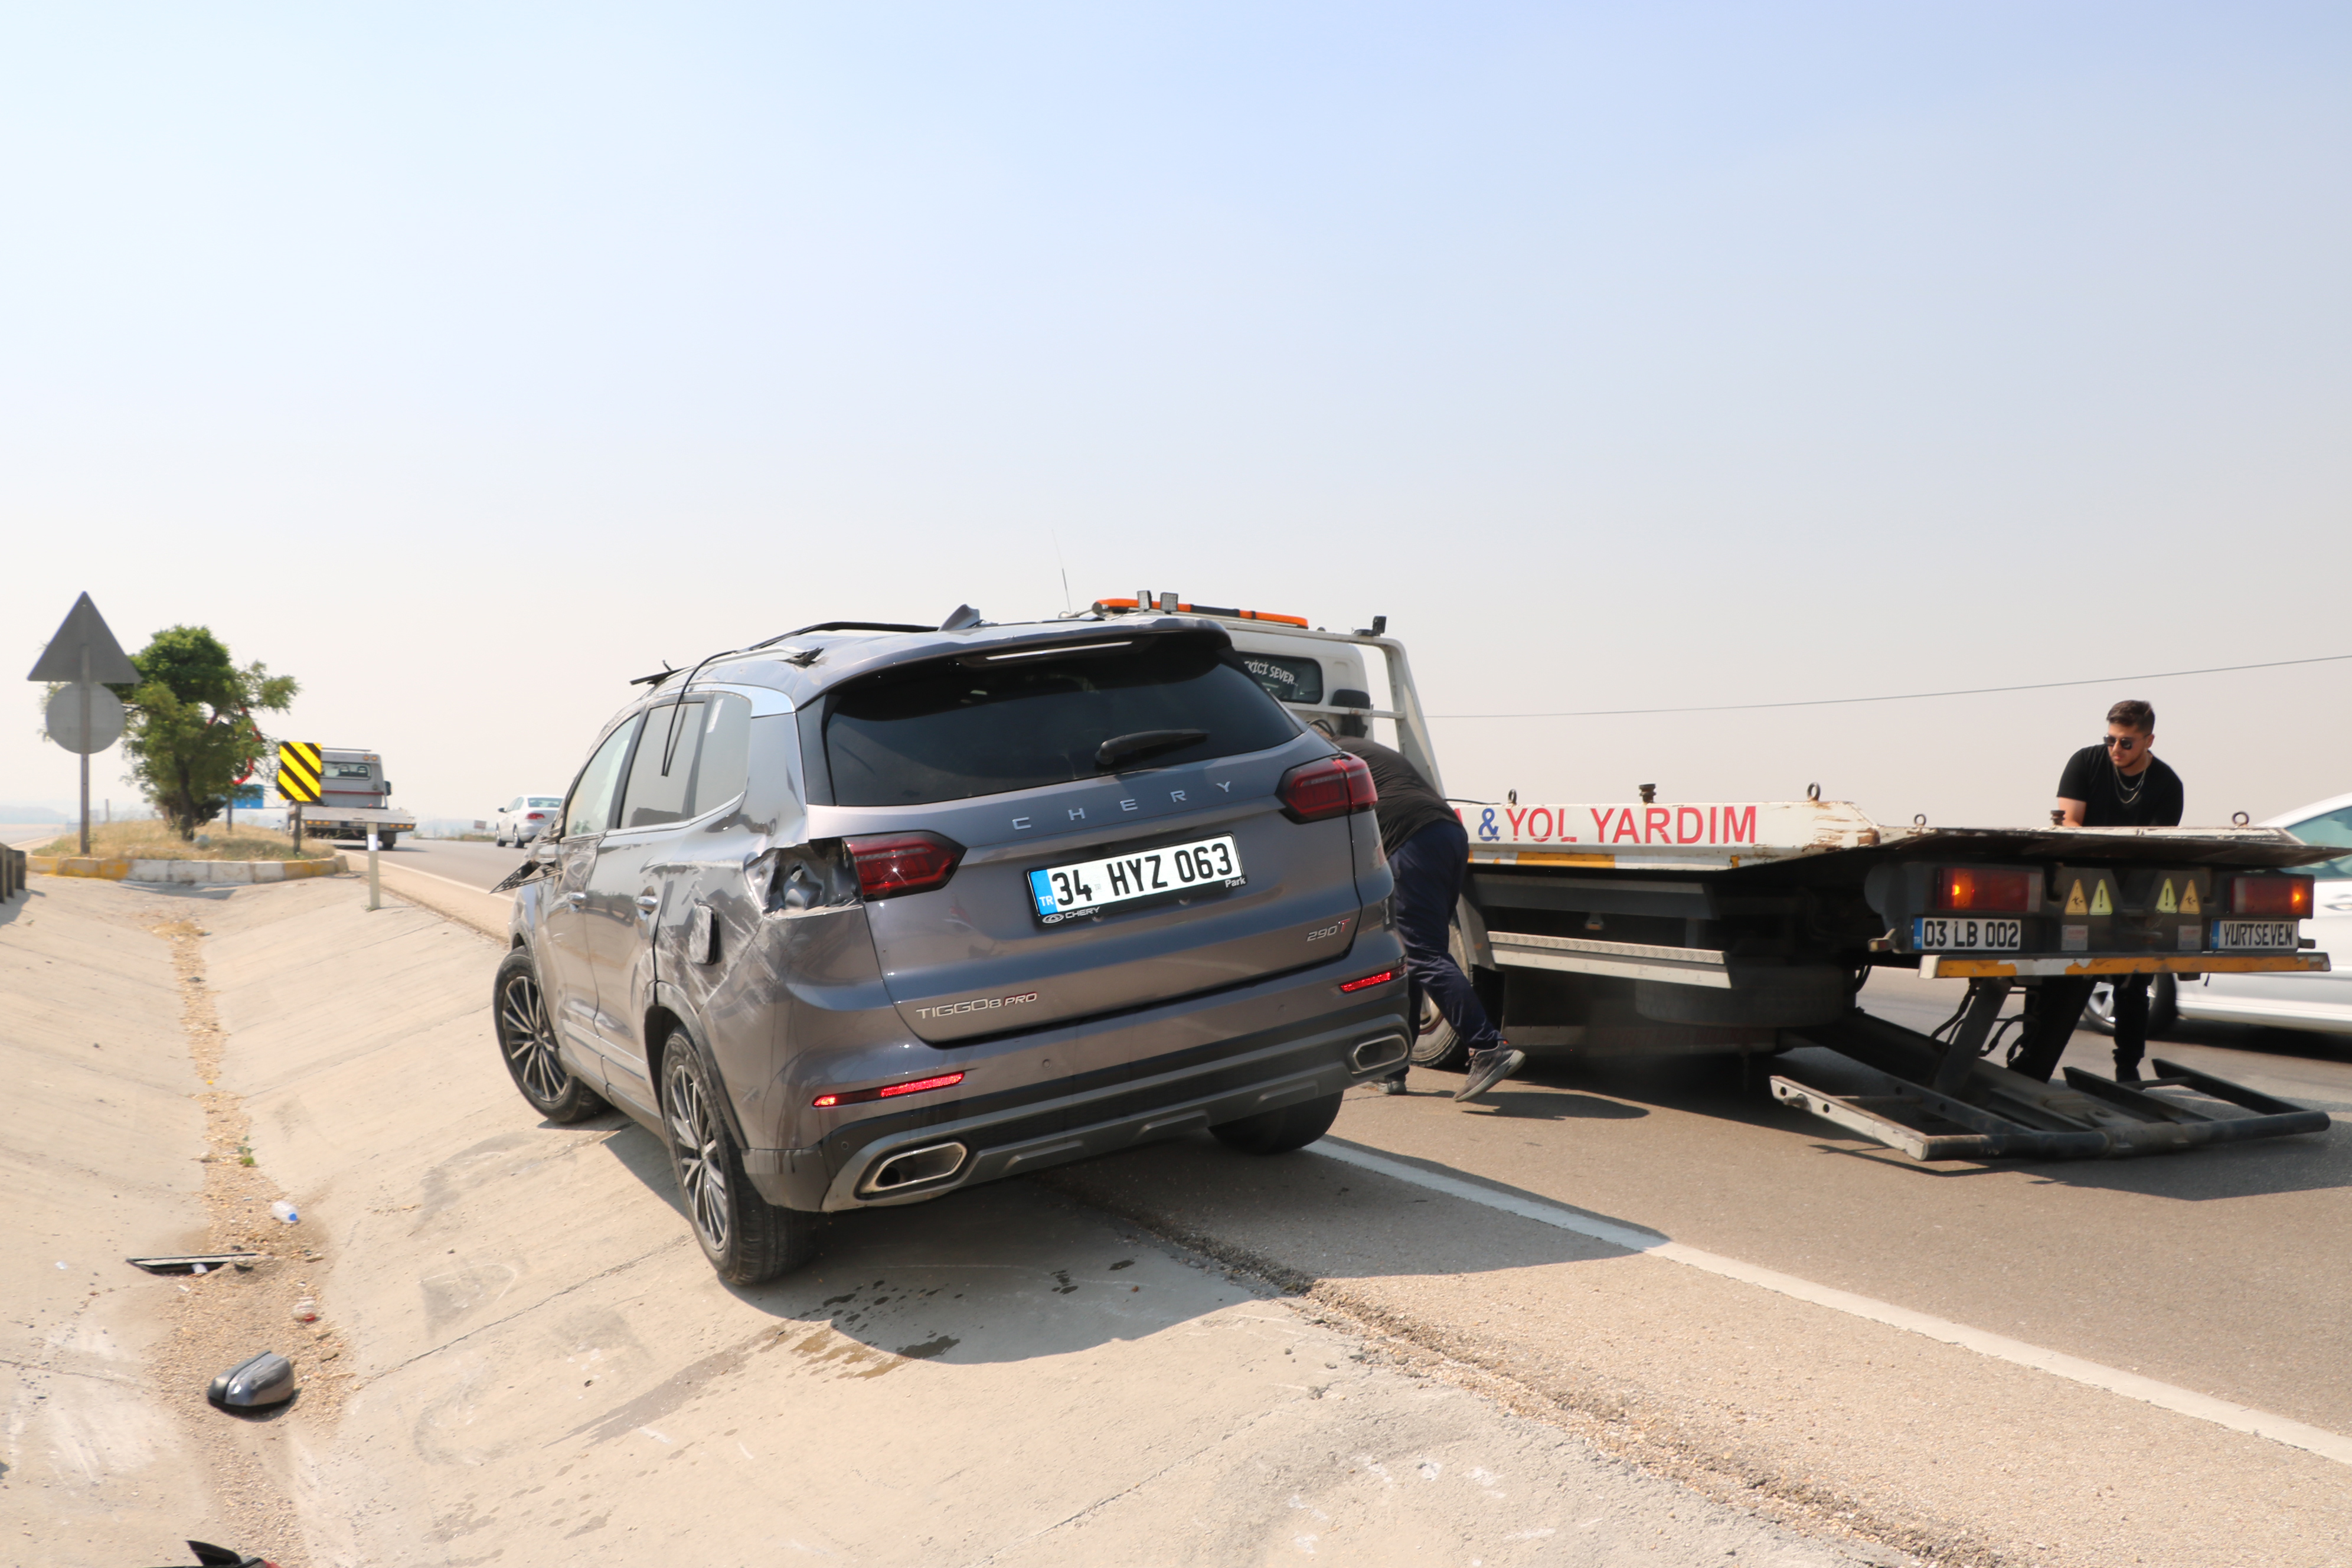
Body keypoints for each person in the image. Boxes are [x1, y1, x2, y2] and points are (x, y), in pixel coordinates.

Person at [1327, 728, 1524, 1103]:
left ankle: (1488, 1048)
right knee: (1412, 955)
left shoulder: (1323, 757)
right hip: (1448, 834)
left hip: (1411, 840)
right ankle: (1394, 1070)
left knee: (1424, 954)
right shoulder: (1364, 750)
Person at [2008, 699, 2183, 1083]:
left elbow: (2155, 847)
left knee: (2135, 980)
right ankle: (2028, 1065)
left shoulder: (2167, 784)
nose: (2116, 750)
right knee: (2052, 972)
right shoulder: (2086, 762)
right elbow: (2070, 821)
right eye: (2111, 740)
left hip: (2137, 888)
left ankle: (2128, 1072)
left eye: (2127, 743)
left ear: (2149, 740)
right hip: (2080, 881)